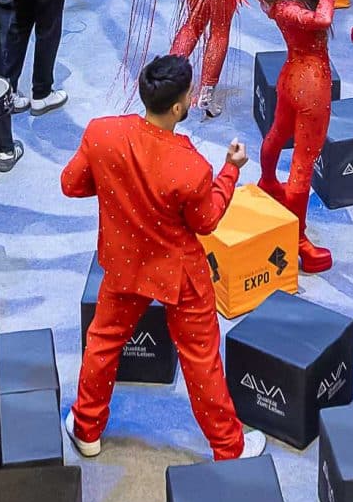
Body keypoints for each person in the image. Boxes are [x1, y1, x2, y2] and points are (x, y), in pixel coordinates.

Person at [62, 53, 264, 461]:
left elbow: (71, 184)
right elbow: (206, 221)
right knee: (201, 360)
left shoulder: (102, 134)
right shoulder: (192, 167)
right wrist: (230, 171)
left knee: (102, 344)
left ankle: (86, 428)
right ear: (178, 107)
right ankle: (229, 447)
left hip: (124, 263)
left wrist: (116, 192)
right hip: (180, 274)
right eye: (189, 95)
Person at [248, 0, 340, 272]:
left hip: (289, 78)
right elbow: (322, 21)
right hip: (312, 86)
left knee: (277, 134)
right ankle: (299, 239)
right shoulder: (295, 7)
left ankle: (268, 180)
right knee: (302, 162)